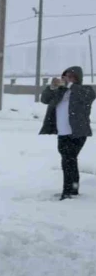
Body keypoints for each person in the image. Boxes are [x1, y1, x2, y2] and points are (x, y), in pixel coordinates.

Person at [39, 66, 95, 200]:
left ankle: (69, 192)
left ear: (77, 78)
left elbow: (90, 95)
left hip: (77, 133)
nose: (67, 79)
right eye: (65, 76)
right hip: (62, 133)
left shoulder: (84, 90)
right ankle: (71, 190)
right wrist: (51, 87)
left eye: (71, 77)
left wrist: (69, 85)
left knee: (69, 160)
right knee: (68, 161)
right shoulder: (60, 91)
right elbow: (44, 99)